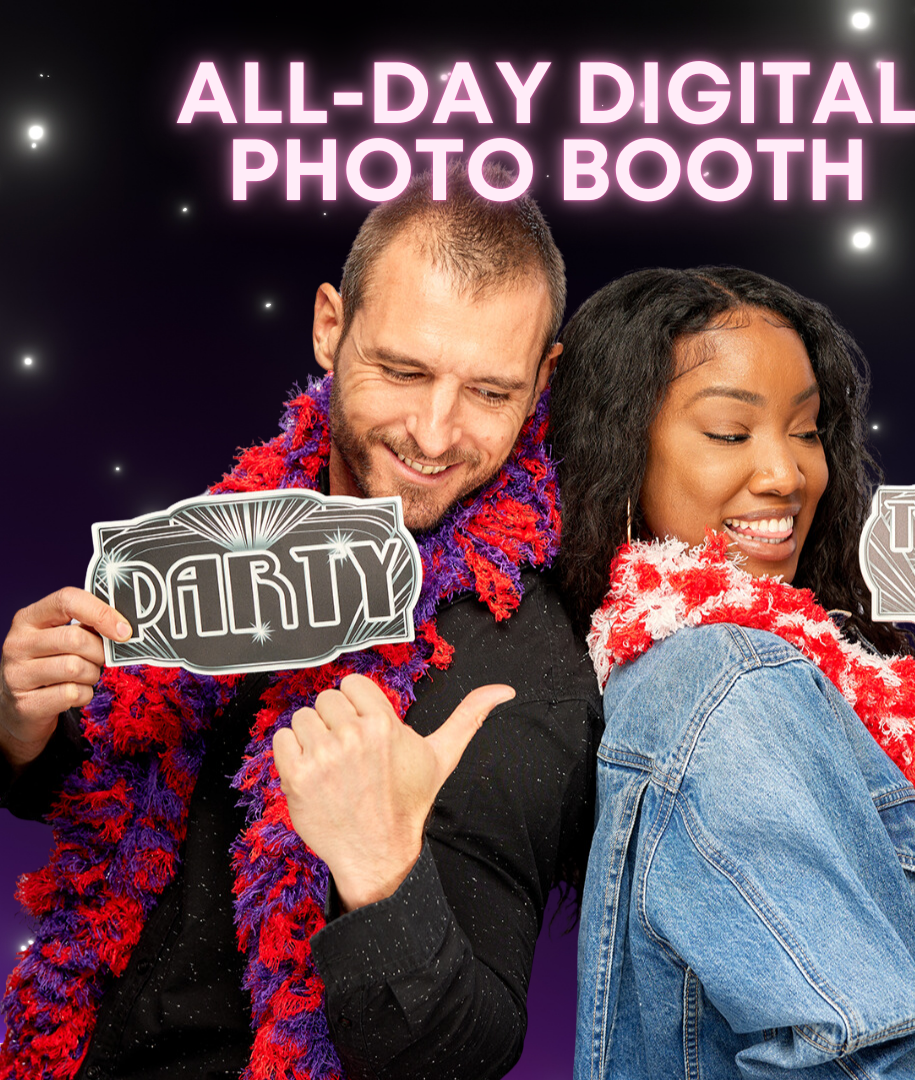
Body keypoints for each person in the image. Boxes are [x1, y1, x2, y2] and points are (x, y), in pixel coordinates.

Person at [0, 164, 602, 1080]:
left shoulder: (525, 673)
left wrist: (382, 872)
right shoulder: (232, 525)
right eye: (402, 371)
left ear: (543, 376)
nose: (436, 435)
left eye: (490, 392)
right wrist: (20, 725)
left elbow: (471, 1051)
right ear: (331, 326)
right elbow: (102, 784)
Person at [549, 267, 915, 1079]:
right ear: (618, 450)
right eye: (732, 432)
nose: (787, 475)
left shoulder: (774, 662)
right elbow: (862, 1050)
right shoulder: (724, 680)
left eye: (806, 429)